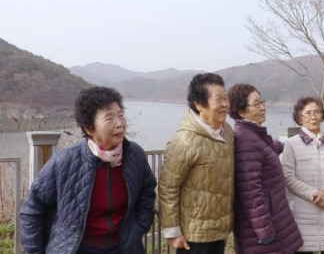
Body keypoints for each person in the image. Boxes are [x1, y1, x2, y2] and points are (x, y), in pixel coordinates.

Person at [20, 86, 157, 254]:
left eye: (121, 115)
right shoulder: (64, 162)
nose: (120, 123)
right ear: (89, 128)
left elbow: (147, 190)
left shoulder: (134, 154)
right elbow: (32, 210)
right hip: (77, 249)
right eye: (109, 118)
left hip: (125, 248)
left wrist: (139, 227)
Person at [158, 73, 235, 254]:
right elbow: (168, 188)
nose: (225, 104)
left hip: (219, 229)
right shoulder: (184, 140)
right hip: (193, 234)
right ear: (199, 104)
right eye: (218, 99)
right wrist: (172, 231)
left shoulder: (228, 132)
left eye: (226, 98)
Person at [227, 83, 303, 254]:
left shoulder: (253, 135)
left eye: (262, 102)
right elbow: (250, 189)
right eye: (256, 104)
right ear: (240, 111)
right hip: (263, 228)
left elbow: (264, 150)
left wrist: (282, 145)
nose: (262, 107)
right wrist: (264, 229)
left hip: (275, 216)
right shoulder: (245, 140)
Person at [281, 97, 324, 254]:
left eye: (317, 112)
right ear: (299, 118)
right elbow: (288, 177)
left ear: (322, 115)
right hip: (303, 215)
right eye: (308, 113)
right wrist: (316, 195)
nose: (313, 116)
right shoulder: (292, 144)